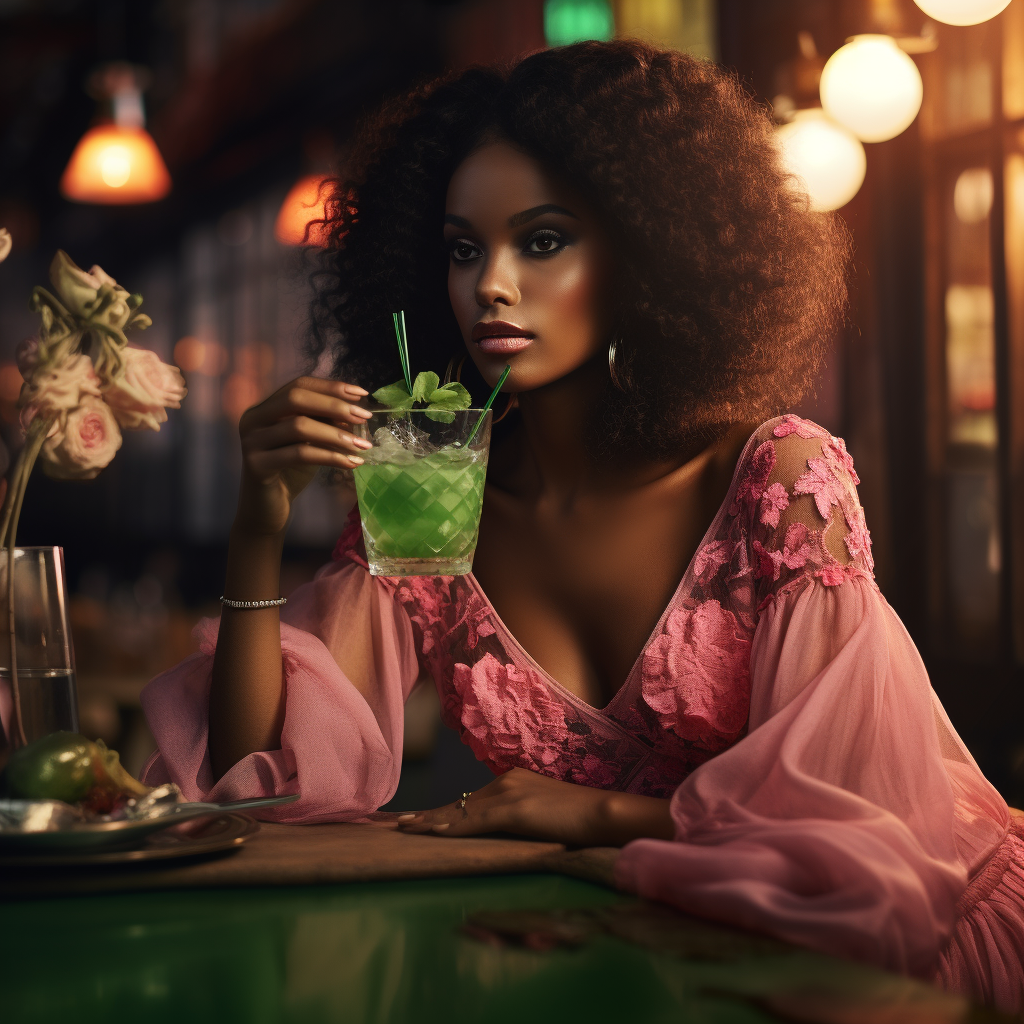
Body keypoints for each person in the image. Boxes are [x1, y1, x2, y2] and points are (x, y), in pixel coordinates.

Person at [141, 41, 1024, 1011]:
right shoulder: (435, 501)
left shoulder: (776, 479)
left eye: (544, 240)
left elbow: (855, 836)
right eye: (463, 248)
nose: (492, 286)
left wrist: (596, 811)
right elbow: (255, 779)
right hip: (651, 957)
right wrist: (257, 522)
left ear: (647, 254)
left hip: (905, 947)